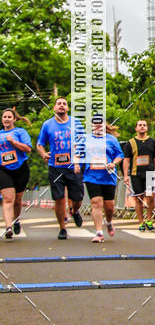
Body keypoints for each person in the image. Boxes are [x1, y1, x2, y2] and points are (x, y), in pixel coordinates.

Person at [37, 97, 85, 240]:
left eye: (64, 104)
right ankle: (62, 228)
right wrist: (43, 154)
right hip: (55, 167)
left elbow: (81, 143)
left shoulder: (75, 123)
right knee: (58, 198)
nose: (62, 106)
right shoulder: (47, 125)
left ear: (68, 108)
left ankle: (74, 211)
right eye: (59, 104)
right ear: (54, 108)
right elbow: (40, 143)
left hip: (73, 166)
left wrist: (77, 162)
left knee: (78, 198)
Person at [76, 116, 124, 243]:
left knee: (109, 206)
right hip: (91, 176)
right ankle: (98, 232)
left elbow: (120, 155)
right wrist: (76, 164)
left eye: (99, 123)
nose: (97, 125)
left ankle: (108, 222)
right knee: (96, 203)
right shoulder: (85, 139)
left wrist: (114, 163)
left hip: (108, 176)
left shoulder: (111, 139)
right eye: (94, 123)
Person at [122, 120, 155, 231]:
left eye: (144, 125)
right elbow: (126, 160)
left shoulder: (152, 142)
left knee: (150, 197)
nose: (142, 127)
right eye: (140, 125)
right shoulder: (130, 143)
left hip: (149, 173)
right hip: (135, 174)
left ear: (147, 128)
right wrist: (126, 175)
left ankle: (149, 219)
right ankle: (140, 222)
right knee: (138, 199)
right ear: (136, 128)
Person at [0, 108, 32, 238]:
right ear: (2, 119)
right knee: (8, 199)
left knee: (17, 201)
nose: (6, 119)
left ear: (14, 119)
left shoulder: (20, 132)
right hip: (3, 169)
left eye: (9, 117)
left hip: (20, 169)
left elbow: (28, 149)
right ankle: (8, 227)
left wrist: (13, 142)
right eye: (4, 117)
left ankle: (16, 220)